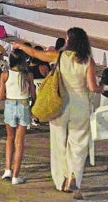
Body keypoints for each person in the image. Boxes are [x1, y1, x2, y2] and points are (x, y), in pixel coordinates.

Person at [12, 27, 104, 200]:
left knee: (58, 143)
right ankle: (74, 177)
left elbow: (36, 54)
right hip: (80, 106)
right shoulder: (87, 60)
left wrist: (20, 46)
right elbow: (92, 87)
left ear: (70, 41)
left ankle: (61, 180)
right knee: (78, 145)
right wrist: (102, 88)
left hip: (60, 103)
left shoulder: (60, 56)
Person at [0, 49, 36, 185]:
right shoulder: (28, 75)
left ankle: (7, 169)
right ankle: (16, 176)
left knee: (9, 138)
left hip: (9, 105)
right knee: (19, 142)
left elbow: (0, 96)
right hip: (24, 105)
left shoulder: (5, 75)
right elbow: (33, 95)